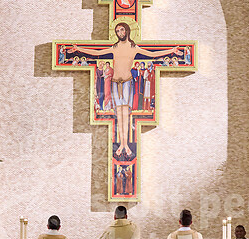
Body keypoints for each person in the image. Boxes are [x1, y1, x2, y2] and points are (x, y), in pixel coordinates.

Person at [69, 23, 181, 157]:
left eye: (122, 30)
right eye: (117, 31)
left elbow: (153, 54)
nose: (120, 33)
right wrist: (78, 49)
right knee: (119, 115)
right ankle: (122, 144)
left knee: (125, 115)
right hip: (115, 84)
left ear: (127, 30)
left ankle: (125, 144)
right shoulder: (114, 47)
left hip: (127, 83)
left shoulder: (134, 48)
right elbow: (97, 53)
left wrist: (171, 51)